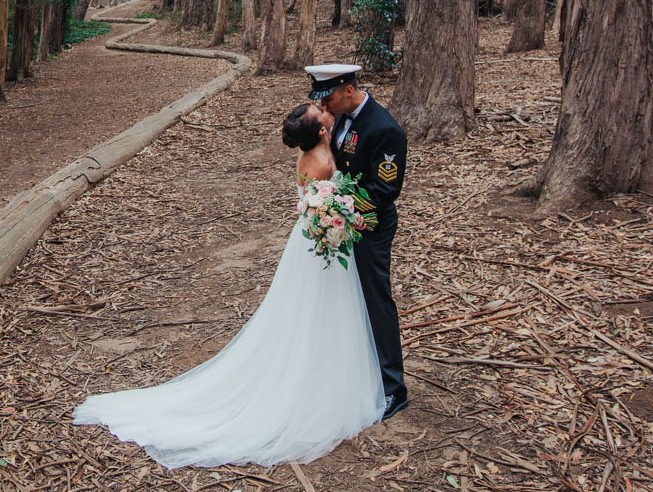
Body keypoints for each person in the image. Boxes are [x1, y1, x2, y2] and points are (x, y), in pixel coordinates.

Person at [72, 102, 385, 469]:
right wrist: (341, 217)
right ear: (319, 132)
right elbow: (319, 203)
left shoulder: (319, 145)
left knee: (326, 310)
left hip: (318, 239)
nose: (325, 109)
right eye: (320, 112)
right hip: (320, 240)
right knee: (316, 309)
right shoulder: (316, 161)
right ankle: (315, 383)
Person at [307, 63, 409, 419]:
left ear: (349, 90)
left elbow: (385, 189)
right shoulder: (337, 119)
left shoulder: (385, 129)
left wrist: (341, 209)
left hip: (371, 226)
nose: (325, 106)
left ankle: (393, 386)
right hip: (340, 223)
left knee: (374, 298)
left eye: (330, 97)